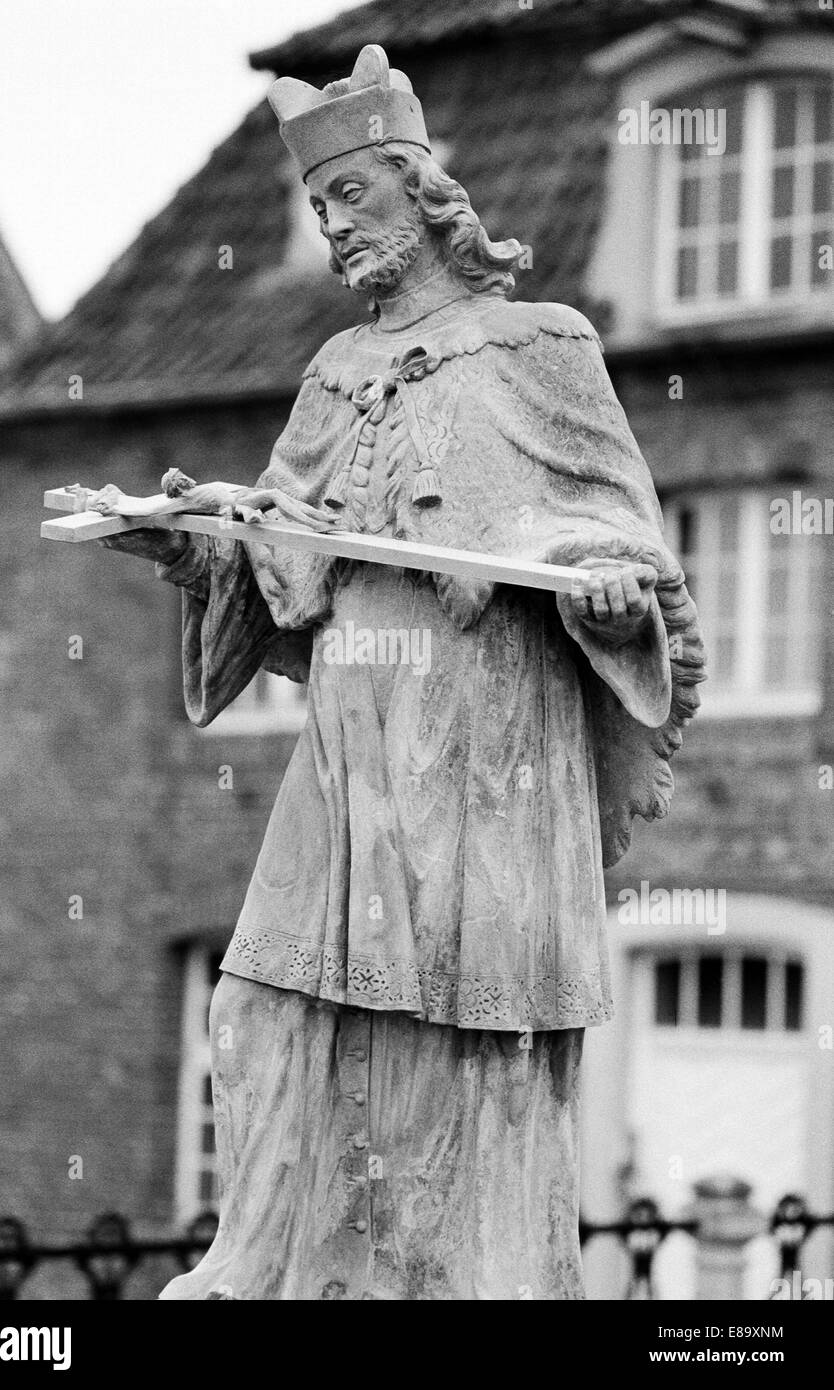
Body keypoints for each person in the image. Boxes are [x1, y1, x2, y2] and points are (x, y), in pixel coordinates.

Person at [98, 44, 705, 1300]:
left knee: (459, 1050)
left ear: (418, 189)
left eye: (350, 201)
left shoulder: (538, 344)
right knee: (258, 1008)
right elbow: (287, 574)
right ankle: (253, 1262)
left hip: (484, 754)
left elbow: (624, 531)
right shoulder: (333, 373)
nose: (333, 233)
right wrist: (205, 541)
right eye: (317, 213)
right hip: (349, 750)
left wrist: (597, 581)